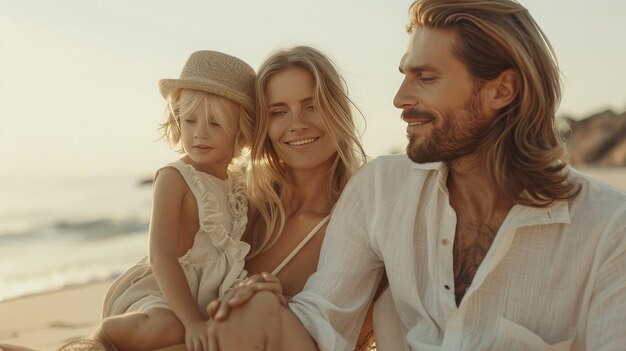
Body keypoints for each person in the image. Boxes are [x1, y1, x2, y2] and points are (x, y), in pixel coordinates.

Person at [203, 0, 626, 350]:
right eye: (405, 75)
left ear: (501, 90)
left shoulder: (609, 231)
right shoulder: (379, 189)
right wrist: (267, 314)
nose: (400, 99)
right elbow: (323, 322)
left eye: (425, 78)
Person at [161, 45, 372, 351]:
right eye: (278, 111)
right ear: (262, 126)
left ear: (336, 109)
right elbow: (165, 277)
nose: (296, 123)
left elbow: (354, 335)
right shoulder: (239, 207)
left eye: (311, 105)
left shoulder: (358, 225)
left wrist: (278, 304)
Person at [60, 50, 256, 351]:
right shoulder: (175, 178)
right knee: (169, 327)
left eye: (215, 123)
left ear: (242, 130)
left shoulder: (238, 185)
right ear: (177, 120)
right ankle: (102, 338)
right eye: (189, 120)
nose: (200, 134)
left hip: (206, 295)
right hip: (163, 292)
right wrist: (191, 321)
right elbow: (160, 257)